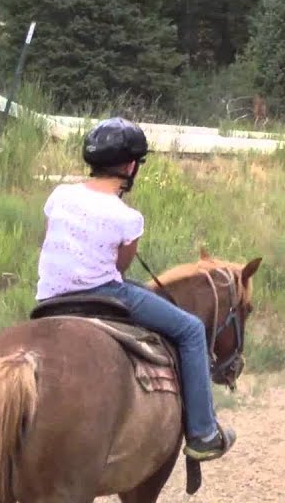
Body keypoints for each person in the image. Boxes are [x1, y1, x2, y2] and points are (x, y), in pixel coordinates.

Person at [35, 117, 236, 461]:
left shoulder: (59, 195)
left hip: (50, 297)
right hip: (103, 294)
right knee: (189, 330)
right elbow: (119, 268)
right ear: (131, 167)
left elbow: (51, 241)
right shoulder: (128, 218)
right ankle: (203, 432)